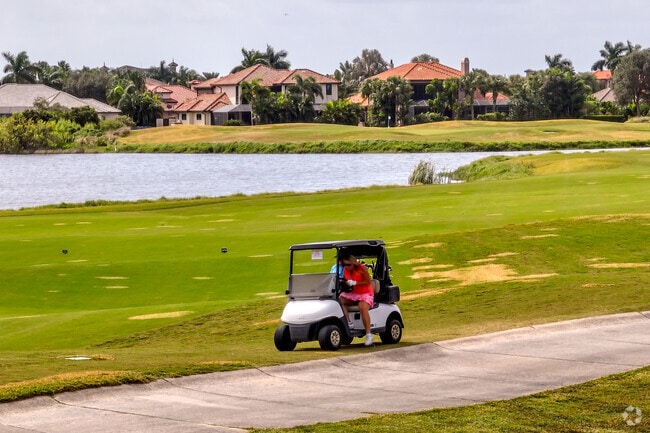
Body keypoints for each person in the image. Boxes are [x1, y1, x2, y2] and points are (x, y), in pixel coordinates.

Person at [339, 253, 374, 346]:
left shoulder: (362, 268)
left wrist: (355, 283)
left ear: (353, 263)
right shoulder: (346, 270)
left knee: (362, 307)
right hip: (352, 294)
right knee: (339, 301)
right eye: (344, 265)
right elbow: (346, 281)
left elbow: (368, 281)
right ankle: (348, 322)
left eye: (348, 264)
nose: (347, 267)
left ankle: (368, 334)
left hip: (365, 293)